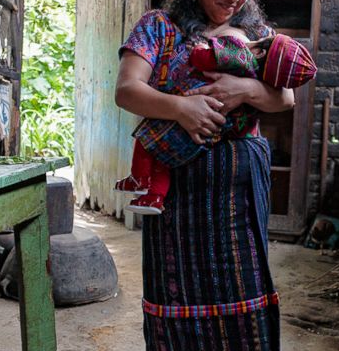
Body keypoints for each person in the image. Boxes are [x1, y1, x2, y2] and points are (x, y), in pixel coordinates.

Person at [115, 0, 297, 351]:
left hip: (240, 180)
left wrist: (245, 88)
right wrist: (182, 107)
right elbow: (128, 89)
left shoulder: (255, 32)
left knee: (237, 289)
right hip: (179, 180)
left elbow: (284, 98)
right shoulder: (161, 27)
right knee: (182, 287)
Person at [114, 28, 315, 215]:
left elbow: (202, 59)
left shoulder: (239, 52)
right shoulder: (159, 24)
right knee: (165, 157)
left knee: (150, 145)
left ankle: (143, 184)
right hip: (213, 130)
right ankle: (153, 196)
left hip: (201, 131)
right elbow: (125, 91)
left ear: (261, 53)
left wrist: (202, 49)